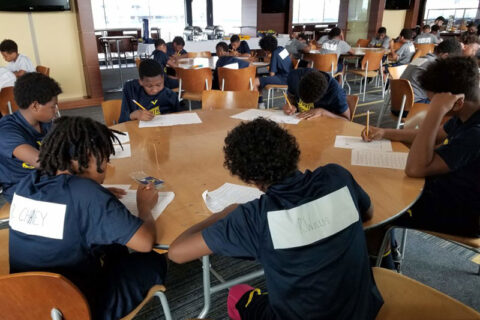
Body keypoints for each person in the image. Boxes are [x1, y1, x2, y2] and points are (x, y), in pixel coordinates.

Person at [168, 118, 383, 320]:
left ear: (250, 180)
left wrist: (223, 214)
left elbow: (176, 253)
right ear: (292, 151)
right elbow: (368, 213)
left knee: (237, 293)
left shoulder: (253, 218)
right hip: (363, 311)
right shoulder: (337, 176)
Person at [9, 116, 167, 320]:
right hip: (77, 309)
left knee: (112, 246)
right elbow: (145, 243)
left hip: (23, 302)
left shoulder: (27, 184)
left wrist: (97, 194)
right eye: (104, 159)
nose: (107, 167)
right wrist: (144, 207)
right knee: (153, 259)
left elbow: (67, 207)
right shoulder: (87, 196)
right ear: (85, 157)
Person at [362, 56, 480, 238]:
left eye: (432, 101)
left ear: (457, 102)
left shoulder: (475, 133)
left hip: (463, 212)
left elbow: (415, 168)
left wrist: (435, 112)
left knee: (376, 208)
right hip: (448, 187)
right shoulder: (468, 113)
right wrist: (385, 132)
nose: (429, 103)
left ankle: (384, 258)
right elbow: (433, 136)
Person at [0, 72, 61, 202]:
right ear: (35, 106)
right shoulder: (6, 130)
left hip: (49, 180)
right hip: (25, 190)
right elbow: (41, 161)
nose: (56, 110)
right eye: (53, 106)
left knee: (90, 193)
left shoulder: (45, 122)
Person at [401, 38, 462, 104]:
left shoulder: (420, 59)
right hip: (413, 106)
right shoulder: (435, 65)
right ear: (445, 56)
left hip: (397, 104)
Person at [119, 59, 179, 123]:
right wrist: (134, 115)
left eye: (159, 85)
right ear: (141, 81)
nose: (155, 90)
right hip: (138, 130)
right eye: (149, 86)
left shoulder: (170, 95)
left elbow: (180, 117)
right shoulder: (131, 89)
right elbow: (122, 120)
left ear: (163, 79)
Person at [283, 68, 350, 120]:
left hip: (323, 127)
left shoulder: (336, 93)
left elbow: (346, 119)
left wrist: (323, 112)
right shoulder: (294, 76)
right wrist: (290, 104)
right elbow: (291, 96)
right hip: (298, 121)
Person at [254, 35, 292, 100]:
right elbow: (282, 63)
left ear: (267, 49)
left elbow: (272, 74)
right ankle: (260, 100)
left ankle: (258, 102)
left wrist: (262, 73)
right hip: (289, 76)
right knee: (259, 74)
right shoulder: (281, 48)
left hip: (283, 79)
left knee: (255, 81)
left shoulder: (274, 53)